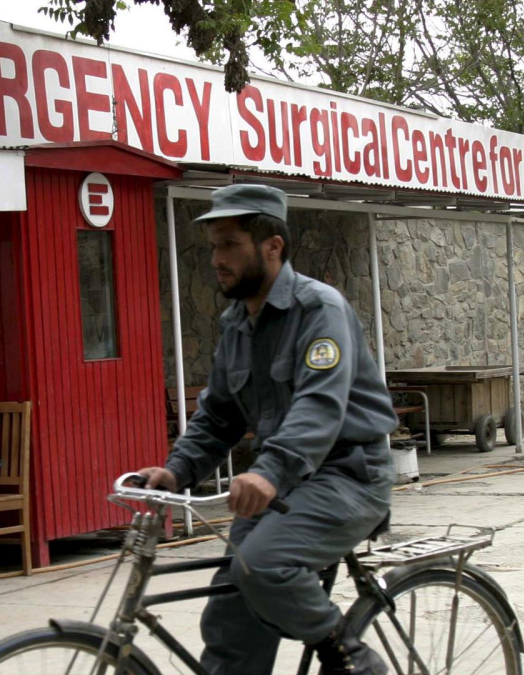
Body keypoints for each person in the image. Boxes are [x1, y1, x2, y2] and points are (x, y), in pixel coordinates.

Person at [135, 185, 398, 675]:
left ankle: (352, 659)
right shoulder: (237, 323)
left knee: (262, 564)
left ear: (272, 246)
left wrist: (270, 471)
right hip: (285, 487)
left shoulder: (320, 309)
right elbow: (217, 416)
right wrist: (176, 471)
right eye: (213, 246)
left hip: (348, 477)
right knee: (228, 614)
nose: (216, 258)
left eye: (229, 244)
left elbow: (318, 406)